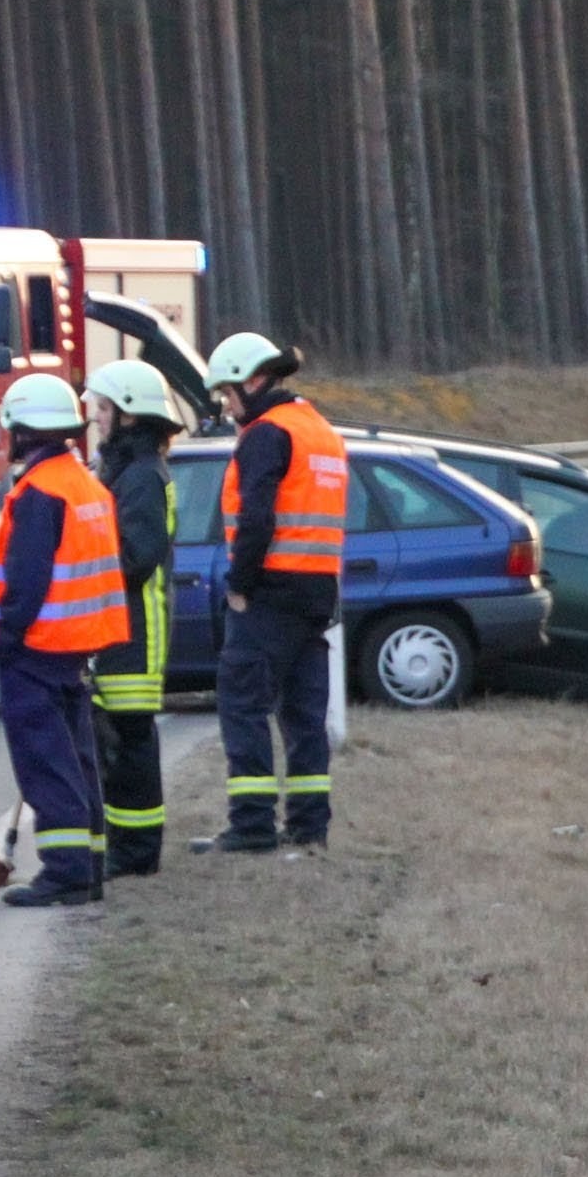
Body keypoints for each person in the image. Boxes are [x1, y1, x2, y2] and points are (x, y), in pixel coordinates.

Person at [0, 373, 132, 907]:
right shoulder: (85, 483)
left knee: (47, 762)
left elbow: (26, 582)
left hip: (37, 646)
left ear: (23, 430)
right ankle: (87, 867)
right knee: (76, 758)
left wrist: (4, 641)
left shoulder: (40, 492)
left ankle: (65, 873)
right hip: (75, 645)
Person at [192, 332, 346, 855]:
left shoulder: (266, 433)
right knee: (304, 718)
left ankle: (252, 824)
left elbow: (258, 516)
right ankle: (309, 826)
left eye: (227, 393)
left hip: (270, 592)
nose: (226, 405)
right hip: (317, 592)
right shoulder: (319, 430)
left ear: (253, 382)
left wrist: (239, 584)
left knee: (242, 704)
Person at [82, 359, 180, 876]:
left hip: (135, 630)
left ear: (128, 415)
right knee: (119, 741)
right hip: (119, 626)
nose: (96, 417)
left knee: (131, 741)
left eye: (102, 407)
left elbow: (136, 558)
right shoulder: (126, 470)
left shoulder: (140, 476)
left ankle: (137, 852)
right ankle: (127, 846)